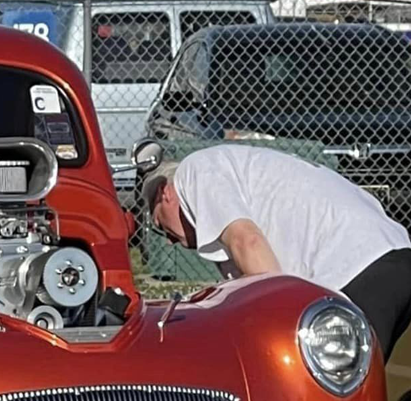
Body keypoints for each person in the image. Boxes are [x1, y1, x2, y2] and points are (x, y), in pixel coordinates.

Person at [143, 143, 411, 361]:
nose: (169, 242)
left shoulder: (196, 171)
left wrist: (280, 330)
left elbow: (247, 243)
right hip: (395, 254)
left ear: (164, 193)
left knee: (342, 399)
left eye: (160, 226)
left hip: (357, 265)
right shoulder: (238, 172)